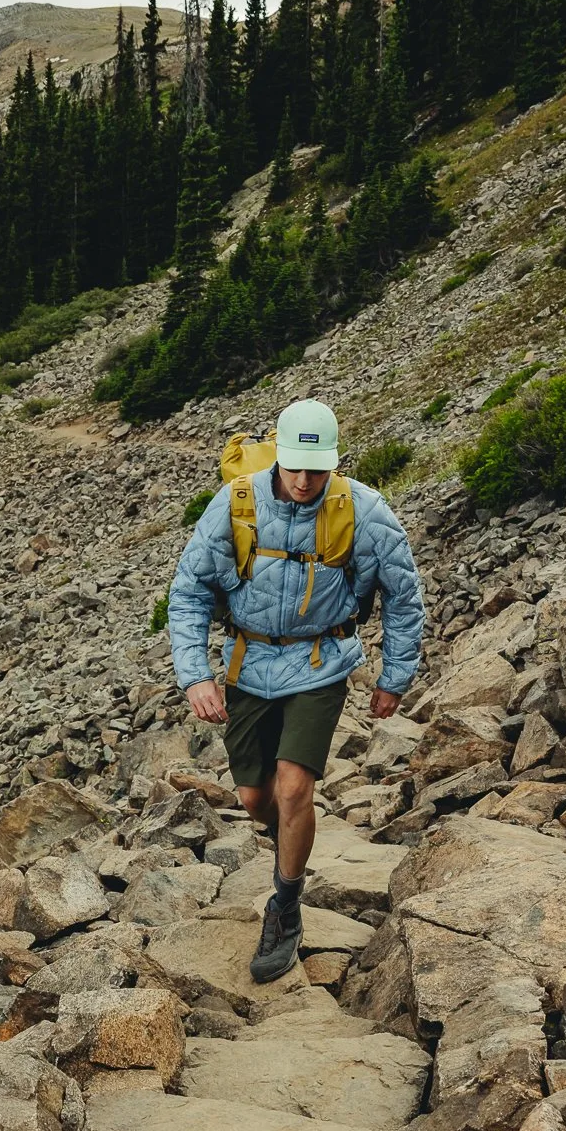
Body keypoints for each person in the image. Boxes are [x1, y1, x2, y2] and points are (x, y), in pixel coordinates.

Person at [168, 398, 424, 983]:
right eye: (295, 468)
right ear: (277, 457)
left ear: (334, 462)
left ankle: (284, 905)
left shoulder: (363, 510)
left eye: (318, 469)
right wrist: (196, 675)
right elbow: (189, 591)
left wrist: (394, 677)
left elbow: (404, 596)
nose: (305, 481)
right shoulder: (235, 503)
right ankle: (290, 838)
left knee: (292, 787)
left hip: (320, 662)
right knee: (254, 798)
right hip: (249, 663)